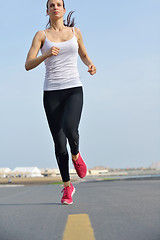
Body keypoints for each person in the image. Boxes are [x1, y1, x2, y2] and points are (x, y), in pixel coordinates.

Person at [25, 0, 96, 205]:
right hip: (51, 93)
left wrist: (90, 65)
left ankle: (76, 155)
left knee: (70, 129)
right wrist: (46, 54)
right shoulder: (41, 35)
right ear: (47, 11)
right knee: (58, 144)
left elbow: (83, 54)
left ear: (64, 10)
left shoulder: (76, 32)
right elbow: (28, 64)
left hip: (73, 88)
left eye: (59, 4)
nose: (55, 7)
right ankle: (67, 187)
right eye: (51, 5)